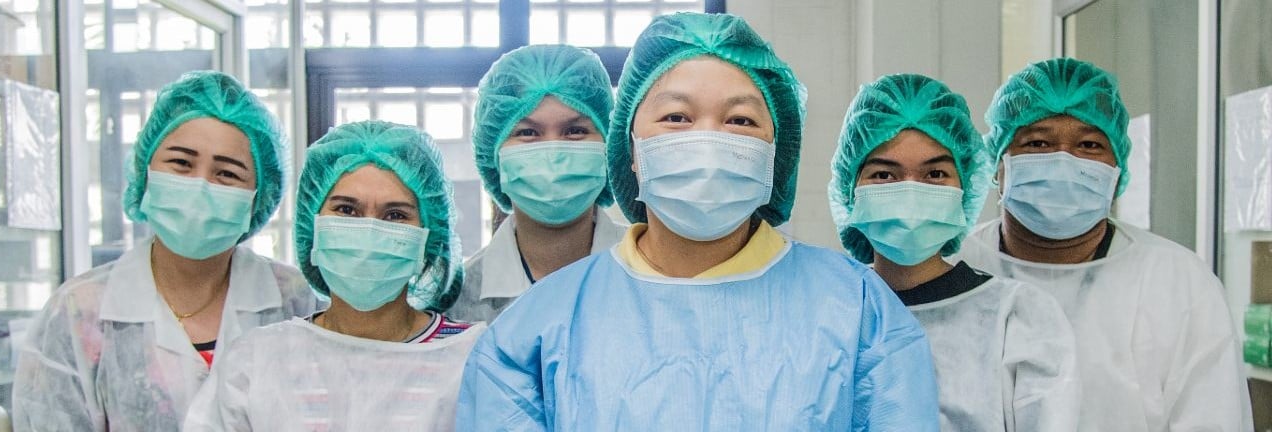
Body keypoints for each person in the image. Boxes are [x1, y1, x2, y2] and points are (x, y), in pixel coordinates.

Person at [456, 13, 938, 431]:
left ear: (777, 154)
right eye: (676, 118)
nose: (708, 140)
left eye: (741, 122)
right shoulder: (533, 333)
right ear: (630, 151)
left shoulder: (860, 314)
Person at [12, 71, 320, 430]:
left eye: (227, 174)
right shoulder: (80, 313)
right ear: (146, 172)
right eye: (181, 164)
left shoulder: (295, 303)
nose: (201, 185)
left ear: (260, 197)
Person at [957, 58, 1253, 431]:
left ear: (1118, 170)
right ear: (998, 165)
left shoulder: (1177, 283)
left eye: (1089, 144)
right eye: (1037, 142)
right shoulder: (954, 270)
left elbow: (1214, 418)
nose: (1063, 158)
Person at [184, 121, 485, 430]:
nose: (368, 229)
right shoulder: (254, 363)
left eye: (395, 215)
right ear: (311, 227)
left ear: (428, 238)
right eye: (346, 210)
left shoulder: (473, 359)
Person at [829, 73, 1080, 431]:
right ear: (849, 190)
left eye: (935, 174)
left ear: (965, 187)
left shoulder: (1017, 318)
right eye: (885, 175)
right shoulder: (828, 313)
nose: (911, 191)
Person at [450, 44, 625, 322]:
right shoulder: (457, 302)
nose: (553, 152)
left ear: (608, 146)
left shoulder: (655, 270)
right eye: (528, 132)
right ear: (494, 156)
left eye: (575, 131)